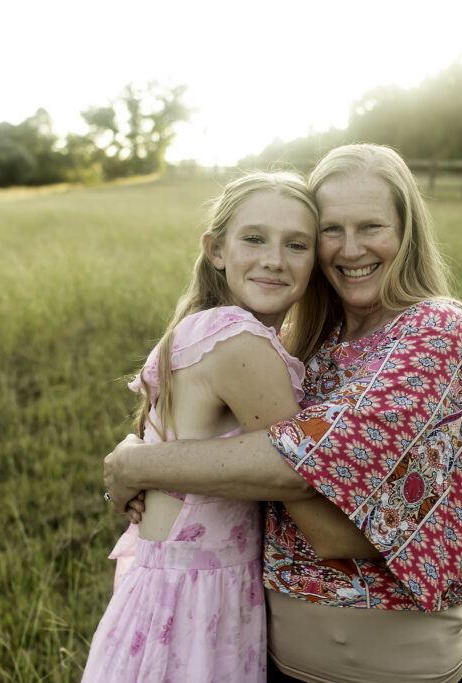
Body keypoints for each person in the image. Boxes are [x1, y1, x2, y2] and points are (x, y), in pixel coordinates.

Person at [104, 144, 462, 682]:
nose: (350, 249)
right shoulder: (297, 343)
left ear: (407, 232)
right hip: (262, 659)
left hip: (394, 671)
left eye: (371, 226)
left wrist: (138, 466)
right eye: (331, 230)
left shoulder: (433, 328)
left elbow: (321, 512)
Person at [83, 171, 357, 682]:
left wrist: (135, 463)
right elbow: (297, 474)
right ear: (216, 250)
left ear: (314, 262)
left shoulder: (208, 326)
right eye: (254, 238)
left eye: (296, 244)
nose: (274, 259)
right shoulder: (236, 340)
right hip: (196, 603)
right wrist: (447, 529)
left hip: (169, 586)